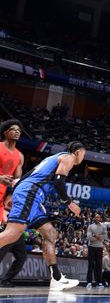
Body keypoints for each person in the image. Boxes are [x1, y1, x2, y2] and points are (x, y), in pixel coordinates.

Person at [0, 141, 86, 291]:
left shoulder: (52, 158)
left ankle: (56, 278)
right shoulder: (69, 157)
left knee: (51, 233)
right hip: (31, 193)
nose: (82, 158)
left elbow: (29, 174)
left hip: (34, 196)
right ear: (78, 152)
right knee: (12, 234)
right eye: (83, 155)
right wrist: (70, 203)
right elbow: (59, 183)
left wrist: (17, 182)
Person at [0, 120, 26, 287]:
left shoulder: (20, 156)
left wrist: (15, 185)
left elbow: (17, 182)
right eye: (13, 129)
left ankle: (5, 280)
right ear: (5, 132)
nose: (17, 132)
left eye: (19, 130)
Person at [86, 213, 107, 288]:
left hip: (99, 247)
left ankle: (99, 282)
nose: (97, 218)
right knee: (90, 264)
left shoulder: (104, 226)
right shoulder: (90, 226)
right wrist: (98, 238)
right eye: (95, 217)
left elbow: (105, 236)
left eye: (98, 217)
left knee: (99, 265)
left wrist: (95, 235)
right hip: (91, 246)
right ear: (94, 218)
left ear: (100, 218)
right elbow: (88, 237)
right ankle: (89, 282)